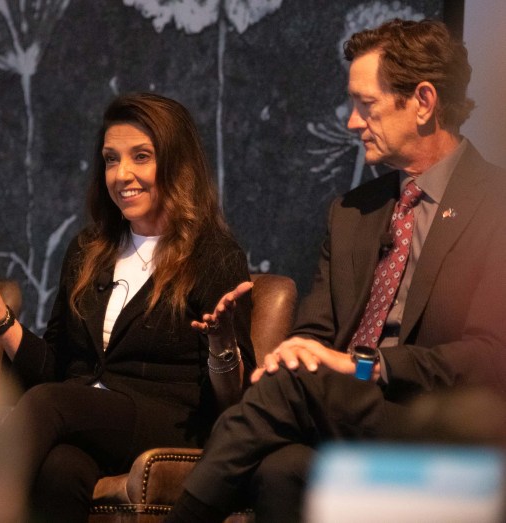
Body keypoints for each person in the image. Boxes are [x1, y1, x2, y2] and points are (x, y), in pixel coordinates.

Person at [166, 18, 506, 523]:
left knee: (291, 387)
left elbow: (489, 355)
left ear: (423, 102)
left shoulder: (496, 203)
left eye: (366, 105)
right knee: (281, 469)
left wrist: (365, 366)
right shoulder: (353, 212)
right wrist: (294, 352)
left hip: (435, 416)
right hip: (340, 410)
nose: (351, 122)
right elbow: (316, 331)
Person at [0, 92, 256, 521]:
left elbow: (235, 400)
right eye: (112, 160)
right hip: (87, 415)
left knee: (49, 404)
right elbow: (58, 369)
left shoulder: (214, 256)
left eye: (141, 157)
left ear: (177, 163)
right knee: (62, 470)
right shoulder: (89, 249)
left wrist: (222, 344)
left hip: (171, 419)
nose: (122, 174)